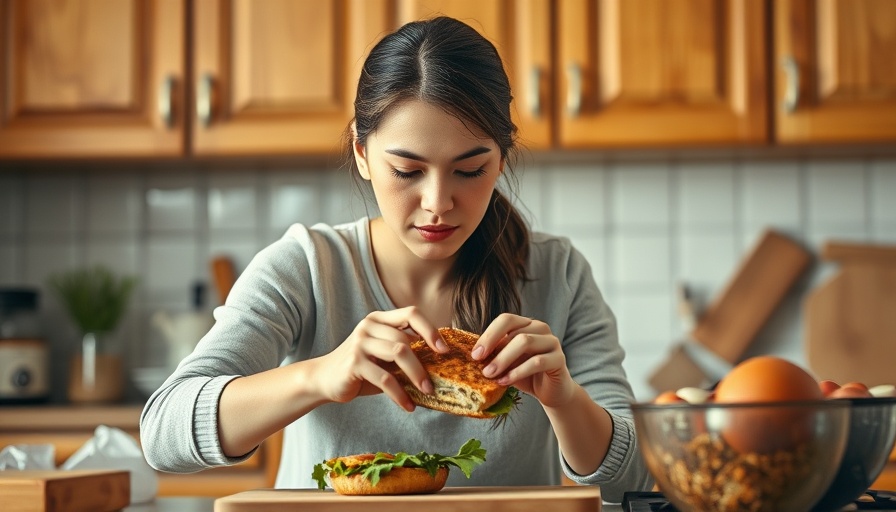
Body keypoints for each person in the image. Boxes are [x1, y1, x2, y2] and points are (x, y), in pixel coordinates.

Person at [140, 16, 652, 502]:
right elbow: (162, 432)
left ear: (502, 159)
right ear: (363, 154)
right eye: (407, 170)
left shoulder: (558, 273)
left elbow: (636, 481)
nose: (437, 202)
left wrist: (565, 401)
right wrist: (319, 375)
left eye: (470, 171)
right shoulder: (308, 267)